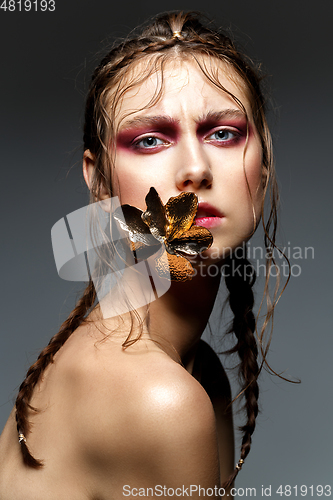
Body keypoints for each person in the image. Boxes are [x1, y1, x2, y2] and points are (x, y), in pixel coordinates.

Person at [0, 10, 286, 499]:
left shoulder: (196, 371)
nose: (195, 168)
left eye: (223, 133)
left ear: (261, 167)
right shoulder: (159, 398)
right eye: (150, 139)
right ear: (99, 180)